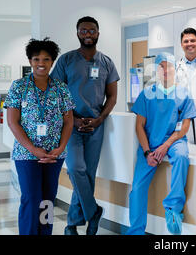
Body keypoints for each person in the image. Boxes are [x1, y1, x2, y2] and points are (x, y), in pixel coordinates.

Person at [51, 16, 120, 235]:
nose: (87, 34)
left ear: (98, 33)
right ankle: (94, 212)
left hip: (96, 126)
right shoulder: (66, 60)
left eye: (91, 30)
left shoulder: (107, 62)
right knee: (75, 169)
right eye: (83, 30)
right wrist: (72, 118)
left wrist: (100, 119)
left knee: (88, 174)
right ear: (77, 33)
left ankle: (72, 226)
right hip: (71, 125)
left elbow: (112, 97)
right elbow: (56, 94)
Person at [4, 38, 75, 235]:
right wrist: (33, 149)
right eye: (36, 59)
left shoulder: (61, 88)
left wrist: (60, 148)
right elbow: (12, 122)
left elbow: (69, 121)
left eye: (46, 59)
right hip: (27, 154)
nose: (41, 64)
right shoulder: (19, 86)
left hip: (54, 154)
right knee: (31, 197)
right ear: (30, 61)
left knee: (48, 199)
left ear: (52, 62)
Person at [126, 52, 196, 235]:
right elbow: (139, 126)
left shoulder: (183, 94)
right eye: (161, 66)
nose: (166, 70)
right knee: (137, 189)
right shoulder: (146, 94)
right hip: (150, 143)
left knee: (182, 157)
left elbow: (183, 128)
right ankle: (135, 231)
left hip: (174, 141)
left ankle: (173, 208)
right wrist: (147, 152)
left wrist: (165, 146)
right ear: (156, 70)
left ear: (175, 69)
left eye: (170, 66)